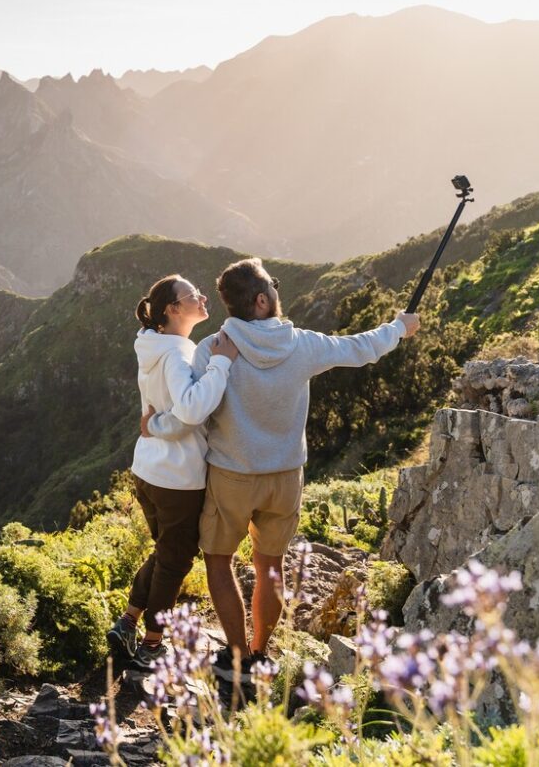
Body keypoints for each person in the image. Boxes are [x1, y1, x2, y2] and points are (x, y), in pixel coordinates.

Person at [143, 257, 420, 684]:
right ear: (261, 299)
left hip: (231, 475)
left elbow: (189, 412)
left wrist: (153, 425)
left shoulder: (214, 348)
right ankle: (259, 654)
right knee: (270, 565)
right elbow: (361, 348)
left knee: (218, 561)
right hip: (286, 476)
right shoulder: (302, 345)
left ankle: (234, 659)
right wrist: (400, 327)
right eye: (273, 284)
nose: (277, 288)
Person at [108, 274, 239, 669]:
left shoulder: (151, 345)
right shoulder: (179, 353)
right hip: (177, 476)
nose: (201, 297)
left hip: (147, 468)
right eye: (191, 295)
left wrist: (154, 426)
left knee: (166, 551)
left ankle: (128, 621)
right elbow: (192, 409)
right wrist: (221, 363)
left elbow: (160, 409)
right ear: (172, 309)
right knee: (176, 559)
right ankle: (151, 644)